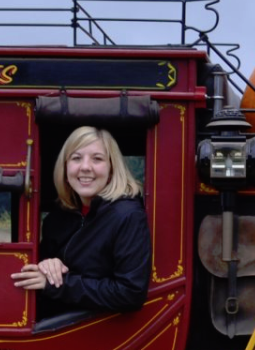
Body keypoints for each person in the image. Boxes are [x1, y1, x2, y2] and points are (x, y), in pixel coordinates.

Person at [12, 125, 152, 314]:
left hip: (102, 333)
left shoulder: (127, 216)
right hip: (56, 326)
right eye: (76, 158)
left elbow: (129, 293)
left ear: (111, 169)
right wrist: (47, 265)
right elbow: (41, 273)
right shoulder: (56, 220)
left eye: (97, 159)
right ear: (65, 168)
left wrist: (58, 284)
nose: (85, 167)